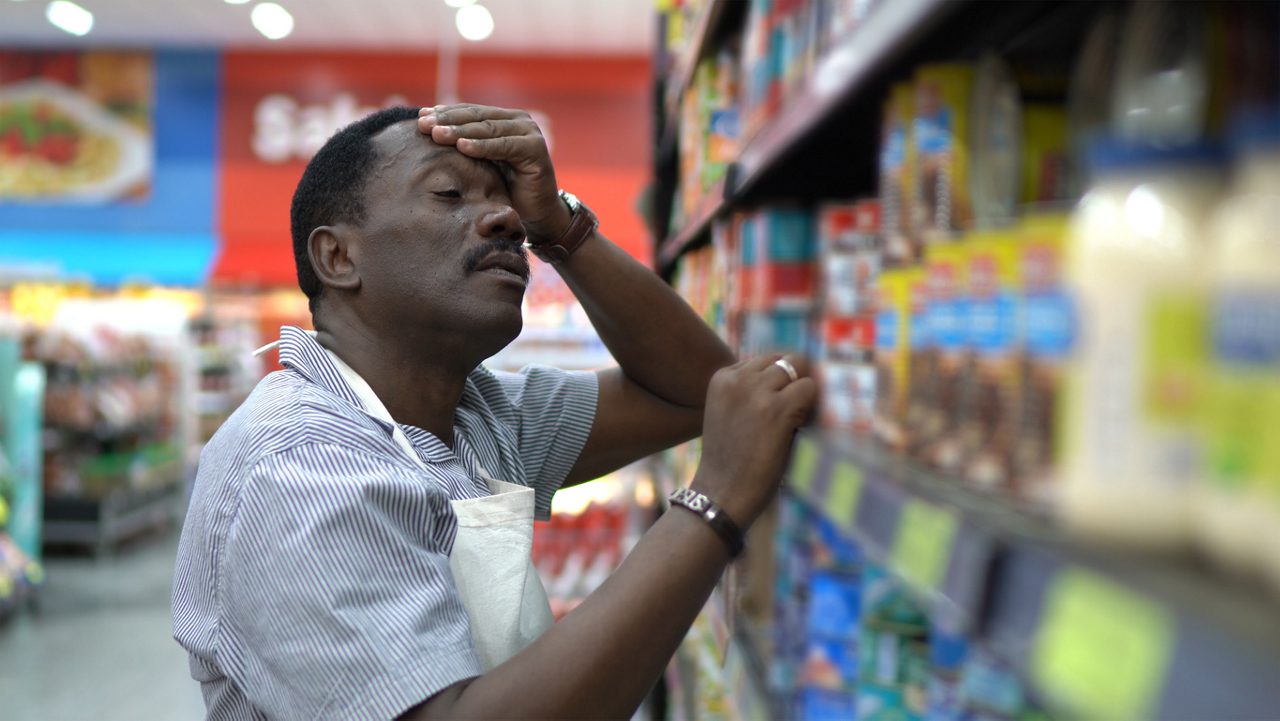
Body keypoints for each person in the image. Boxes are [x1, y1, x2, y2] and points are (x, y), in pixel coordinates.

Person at [172, 103, 816, 720]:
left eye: (505, 204)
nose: (504, 220)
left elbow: (697, 390)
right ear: (338, 258)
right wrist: (713, 504)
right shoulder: (302, 470)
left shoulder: (471, 412)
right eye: (449, 195)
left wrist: (560, 227)